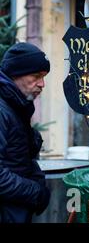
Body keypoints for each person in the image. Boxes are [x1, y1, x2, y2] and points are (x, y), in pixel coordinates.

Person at [0, 42, 51, 223]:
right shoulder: (3, 109)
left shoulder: (16, 106)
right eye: (36, 76)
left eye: (44, 77)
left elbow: (21, 160)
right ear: (15, 75)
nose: (42, 84)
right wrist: (35, 192)